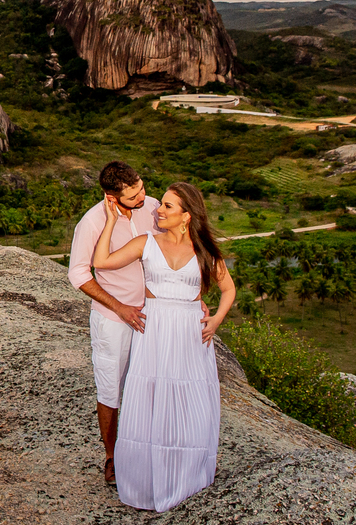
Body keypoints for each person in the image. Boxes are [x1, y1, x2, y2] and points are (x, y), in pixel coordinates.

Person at [92, 182, 236, 512]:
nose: (159, 209)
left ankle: (186, 475)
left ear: (187, 216)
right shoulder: (146, 243)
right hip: (153, 328)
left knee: (187, 400)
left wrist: (215, 322)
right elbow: (101, 262)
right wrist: (111, 220)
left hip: (189, 332)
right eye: (162, 204)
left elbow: (228, 291)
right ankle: (147, 476)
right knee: (151, 399)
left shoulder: (205, 253)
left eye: (168, 206)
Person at [67, 161, 162, 486]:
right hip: (113, 320)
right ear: (111, 196)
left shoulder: (152, 207)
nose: (143, 197)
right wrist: (120, 307)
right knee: (111, 389)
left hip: (153, 313)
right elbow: (78, 273)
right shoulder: (92, 222)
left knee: (151, 384)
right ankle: (111, 457)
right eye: (134, 195)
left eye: (142, 188)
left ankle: (146, 448)